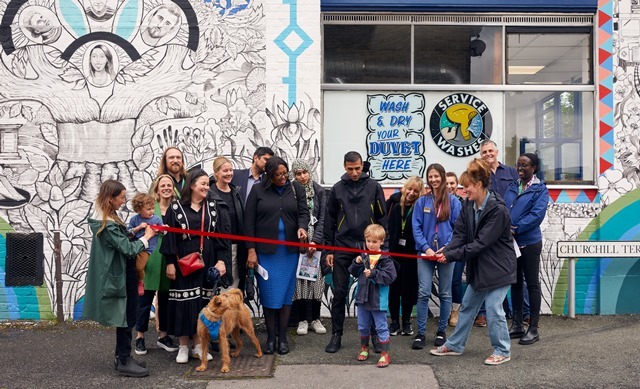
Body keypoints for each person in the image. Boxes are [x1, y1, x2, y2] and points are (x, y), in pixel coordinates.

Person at [429, 158, 516, 366]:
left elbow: (480, 244)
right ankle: (455, 345)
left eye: (466, 187)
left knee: (494, 307)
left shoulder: (498, 210)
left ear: (478, 185)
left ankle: (502, 350)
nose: (463, 190)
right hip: (480, 267)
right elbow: (459, 234)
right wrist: (448, 249)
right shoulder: (467, 204)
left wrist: (450, 255)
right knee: (467, 306)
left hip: (499, 267)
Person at [84, 179, 157, 377]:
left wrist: (134, 230)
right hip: (122, 276)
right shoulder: (107, 224)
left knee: (127, 316)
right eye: (121, 197)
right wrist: (146, 237)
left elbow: (122, 238)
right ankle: (124, 360)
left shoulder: (109, 218)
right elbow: (127, 248)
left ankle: (122, 357)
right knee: (126, 317)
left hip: (125, 274)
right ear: (110, 199)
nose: (124, 201)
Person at [160, 169, 231, 364]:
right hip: (184, 261)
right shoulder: (175, 208)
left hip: (206, 260)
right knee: (184, 301)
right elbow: (170, 238)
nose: (206, 187)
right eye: (203, 184)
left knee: (203, 303)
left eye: (208, 184)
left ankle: (199, 346)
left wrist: (221, 260)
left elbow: (220, 237)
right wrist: (170, 264)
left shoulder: (213, 208)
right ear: (192, 185)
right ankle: (183, 346)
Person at [244, 156, 310, 355]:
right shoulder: (257, 190)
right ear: (269, 175)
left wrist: (302, 228)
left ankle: (282, 337)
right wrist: (251, 250)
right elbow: (249, 223)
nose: (283, 177)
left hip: (289, 253)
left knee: (286, 295)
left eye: (285, 173)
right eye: (278, 175)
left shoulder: (296, 189)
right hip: (266, 253)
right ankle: (270, 337)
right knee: (269, 294)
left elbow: (303, 213)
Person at [324, 151, 387, 354]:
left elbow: (382, 218)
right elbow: (329, 221)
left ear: (362, 166)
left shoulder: (374, 187)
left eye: (357, 168)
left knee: (372, 293)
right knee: (340, 292)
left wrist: (383, 248)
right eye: (350, 169)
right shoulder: (336, 189)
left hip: (368, 246)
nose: (354, 172)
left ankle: (376, 336)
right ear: (344, 167)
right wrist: (329, 249)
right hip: (342, 245)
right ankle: (336, 335)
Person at [411, 164, 461, 350]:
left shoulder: (453, 201)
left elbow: (458, 229)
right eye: (430, 177)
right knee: (423, 291)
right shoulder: (422, 202)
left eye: (436, 176)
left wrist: (446, 248)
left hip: (446, 255)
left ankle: (441, 331)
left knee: (445, 292)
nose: (433, 180)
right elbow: (415, 227)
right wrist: (426, 247)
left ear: (442, 177)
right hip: (425, 253)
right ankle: (421, 333)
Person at [503, 153, 549, 345]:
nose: (520, 169)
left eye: (525, 166)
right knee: (515, 283)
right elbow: (504, 208)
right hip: (512, 243)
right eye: (518, 165)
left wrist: (517, 228)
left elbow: (536, 215)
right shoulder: (513, 186)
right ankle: (517, 325)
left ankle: (533, 328)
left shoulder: (540, 190)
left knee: (531, 283)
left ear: (534, 168)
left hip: (529, 243)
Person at [475, 139, 520, 327]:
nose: (487, 154)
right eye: (484, 152)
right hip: (488, 230)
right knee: (487, 270)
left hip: (513, 230)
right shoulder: (478, 174)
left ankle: (519, 312)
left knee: (514, 271)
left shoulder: (512, 172)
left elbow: (520, 198)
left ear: (497, 151)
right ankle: (484, 313)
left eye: (490, 150)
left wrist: (516, 225)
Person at [134, 174, 179, 356]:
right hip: (150, 260)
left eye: (169, 185)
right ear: (157, 188)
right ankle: (140, 337)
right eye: (163, 185)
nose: (166, 188)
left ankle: (163, 335)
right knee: (144, 301)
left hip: (169, 261)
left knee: (166, 300)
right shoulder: (148, 209)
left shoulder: (177, 209)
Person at [349, 224, 397, 368]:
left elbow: (390, 277)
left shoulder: (386, 259)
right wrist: (356, 263)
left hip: (378, 299)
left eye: (374, 242)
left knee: (381, 326)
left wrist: (375, 273)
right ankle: (364, 348)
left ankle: (385, 353)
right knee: (363, 325)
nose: (370, 244)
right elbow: (353, 272)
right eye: (368, 241)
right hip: (363, 297)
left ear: (381, 242)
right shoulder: (363, 256)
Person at [290, 159, 327, 336]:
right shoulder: (290, 191)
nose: (302, 176)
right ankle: (302, 319)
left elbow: (323, 218)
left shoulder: (319, 190)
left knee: (316, 278)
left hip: (315, 240)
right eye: (298, 173)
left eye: (304, 172)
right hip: (299, 239)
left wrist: (316, 241)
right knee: (300, 278)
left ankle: (315, 318)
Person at [387, 176, 424, 337]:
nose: (411, 193)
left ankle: (407, 321)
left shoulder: (420, 208)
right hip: (394, 252)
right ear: (404, 188)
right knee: (394, 288)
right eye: (409, 189)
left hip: (411, 253)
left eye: (416, 191)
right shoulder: (394, 205)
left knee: (408, 288)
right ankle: (394, 321)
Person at [209, 156, 247, 291]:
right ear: (216, 173)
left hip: (236, 248)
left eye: (231, 170)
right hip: (217, 249)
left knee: (233, 289)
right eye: (225, 171)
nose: (229, 173)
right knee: (219, 289)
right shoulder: (210, 194)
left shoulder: (236, 193)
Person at [128, 193, 163, 296]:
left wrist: (161, 229)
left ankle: (140, 282)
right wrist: (138, 228)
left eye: (152, 208)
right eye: (148, 209)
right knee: (132, 267)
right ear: (139, 209)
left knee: (139, 267)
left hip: (146, 249)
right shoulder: (134, 220)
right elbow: (129, 233)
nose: (151, 211)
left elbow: (163, 231)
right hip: (134, 247)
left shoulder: (156, 219)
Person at [446, 171, 465, 327]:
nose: (449, 186)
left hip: (458, 248)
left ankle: (455, 311)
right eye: (446, 183)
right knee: (445, 282)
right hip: (442, 248)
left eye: (452, 183)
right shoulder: (437, 202)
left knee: (455, 280)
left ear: (457, 185)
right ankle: (445, 311)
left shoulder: (464, 203)